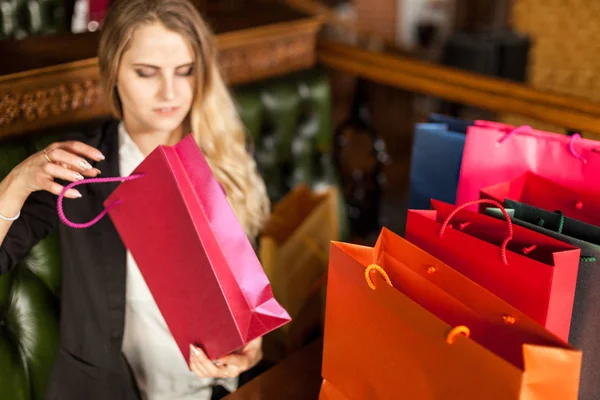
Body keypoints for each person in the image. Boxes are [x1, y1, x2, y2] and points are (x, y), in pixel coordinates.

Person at [0, 0, 271, 398]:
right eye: (146, 73)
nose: (170, 93)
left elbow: (244, 300)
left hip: (215, 388)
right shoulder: (81, 170)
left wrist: (250, 347)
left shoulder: (224, 157)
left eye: (185, 72)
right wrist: (17, 183)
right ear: (113, 73)